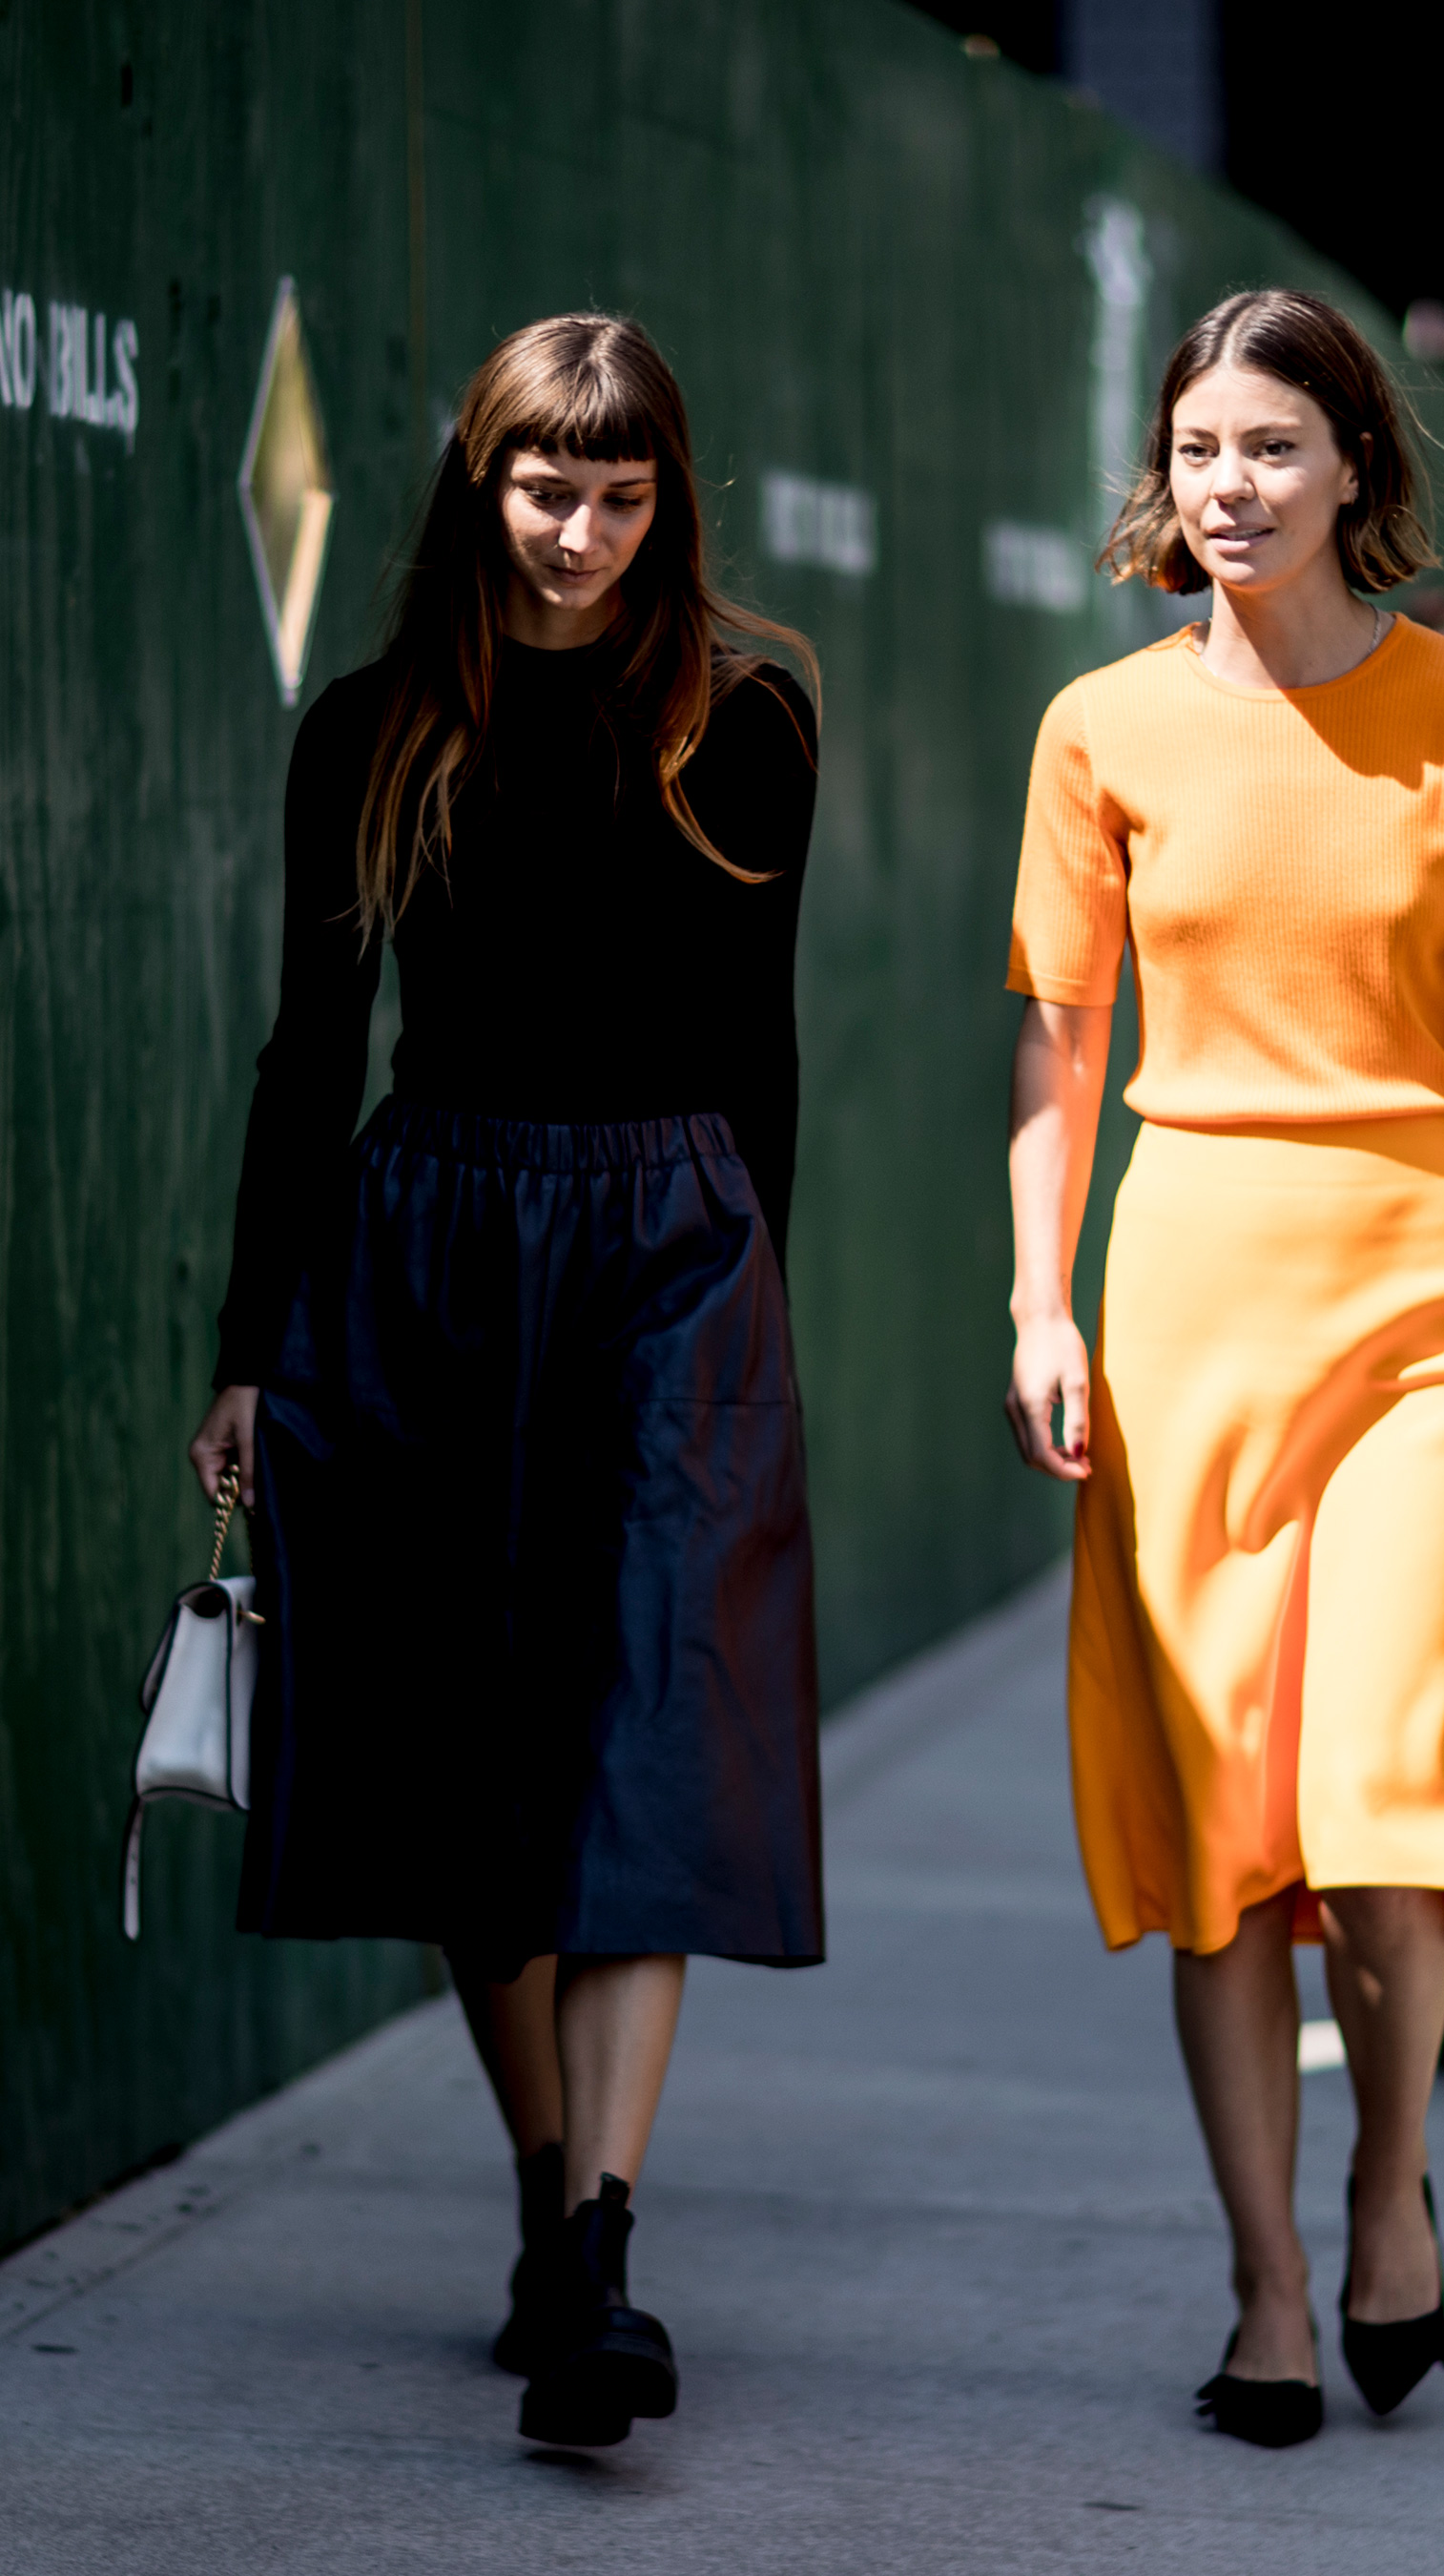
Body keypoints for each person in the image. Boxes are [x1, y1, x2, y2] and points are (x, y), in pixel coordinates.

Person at [1002, 288, 1444, 2447]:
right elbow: (1058, 1047)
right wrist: (1039, 1301)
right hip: (1185, 1294)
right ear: (1160, 475)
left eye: (1273, 445)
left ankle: (1387, 2190)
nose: (1232, 485)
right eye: (1198, 449)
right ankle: (1266, 2288)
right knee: (1219, 1831)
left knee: (1376, 1786)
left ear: (1355, 463)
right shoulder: (1099, 727)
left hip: (1418, 1298)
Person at [189, 312, 824, 2453]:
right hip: (433, 1259)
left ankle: (609, 2257)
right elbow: (309, 1056)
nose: (583, 533)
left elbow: (759, 1049)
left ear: (670, 499)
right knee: (482, 1780)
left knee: (648, 1745)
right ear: (483, 484)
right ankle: (552, 2199)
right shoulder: (375, 729)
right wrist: (251, 1352)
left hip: (671, 1259)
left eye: (625, 496)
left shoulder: (743, 714)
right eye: (550, 490)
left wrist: (758, 1322)